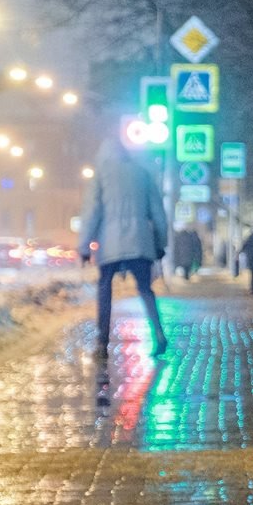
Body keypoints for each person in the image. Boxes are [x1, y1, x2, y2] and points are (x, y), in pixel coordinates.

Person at [78, 139, 170, 359]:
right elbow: (158, 213)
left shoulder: (101, 175)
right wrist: (160, 243)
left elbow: (92, 211)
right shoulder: (143, 174)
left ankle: (102, 343)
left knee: (105, 289)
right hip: (140, 241)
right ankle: (158, 333)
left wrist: (84, 246)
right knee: (146, 290)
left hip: (110, 242)